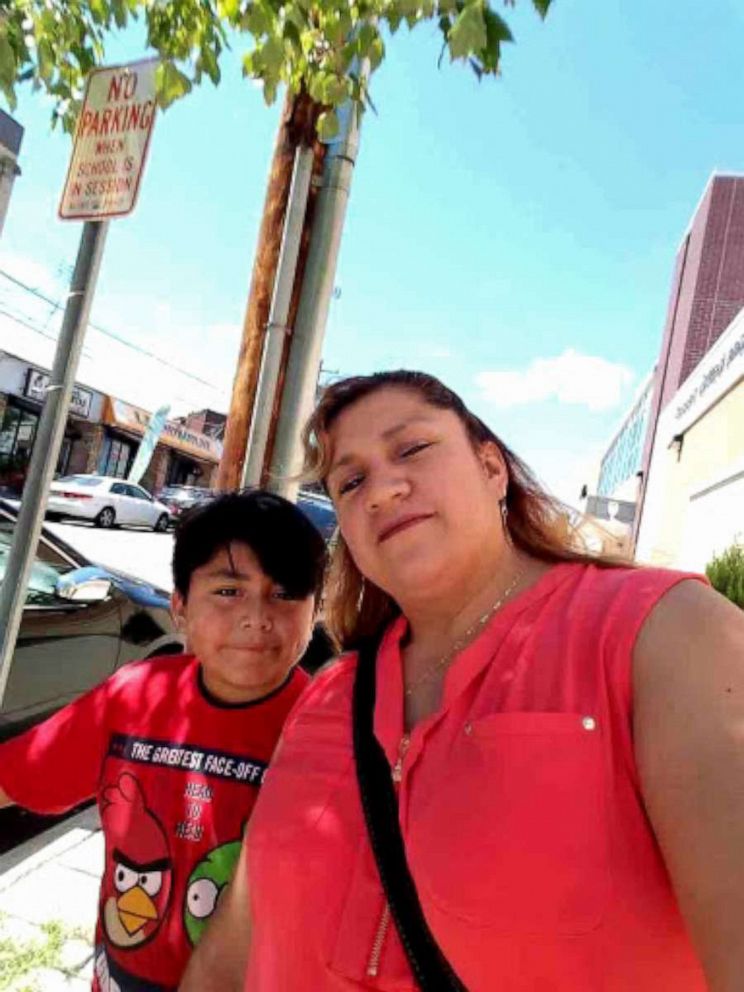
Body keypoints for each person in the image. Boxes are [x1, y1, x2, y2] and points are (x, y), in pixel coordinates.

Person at [180, 370, 744, 992]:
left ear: (492, 468)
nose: (381, 490)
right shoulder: (329, 692)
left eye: (412, 449)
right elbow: (235, 941)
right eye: (351, 480)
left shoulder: (661, 633)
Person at [0, 489, 327, 992]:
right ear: (180, 607)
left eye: (285, 594)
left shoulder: (329, 732)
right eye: (228, 591)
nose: (257, 617)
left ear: (315, 611)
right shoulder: (137, 694)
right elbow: (21, 774)